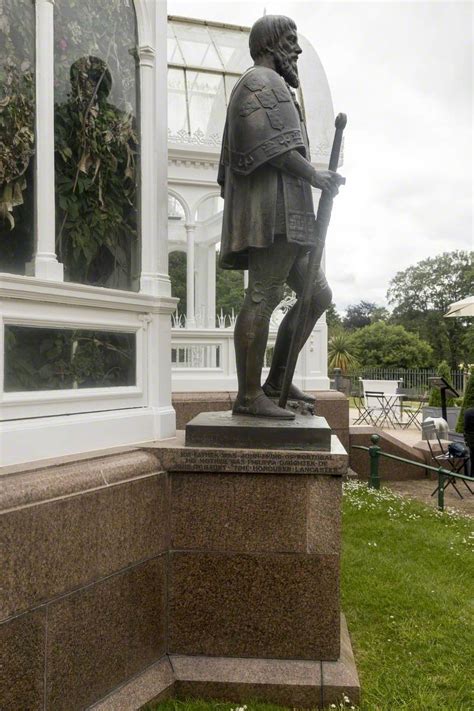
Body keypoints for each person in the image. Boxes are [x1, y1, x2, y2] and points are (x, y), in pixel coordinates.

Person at [218, 15, 344, 418]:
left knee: (318, 295)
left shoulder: (278, 86)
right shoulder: (257, 81)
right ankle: (249, 396)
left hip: (293, 213)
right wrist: (314, 174)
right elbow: (264, 144)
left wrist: (312, 178)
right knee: (263, 295)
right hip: (272, 213)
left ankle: (275, 382)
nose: (298, 49)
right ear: (271, 44)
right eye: (291, 41)